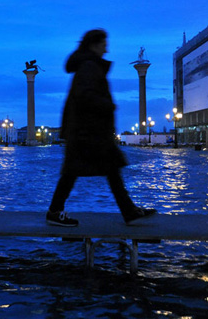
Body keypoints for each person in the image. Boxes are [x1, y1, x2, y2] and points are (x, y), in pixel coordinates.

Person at [46, 29, 156, 227]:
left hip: (87, 130)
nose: (107, 48)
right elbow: (85, 96)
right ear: (94, 45)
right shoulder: (89, 66)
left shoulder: (88, 65)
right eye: (104, 43)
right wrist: (108, 105)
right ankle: (55, 212)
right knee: (76, 172)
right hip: (87, 131)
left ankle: (128, 211)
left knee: (108, 169)